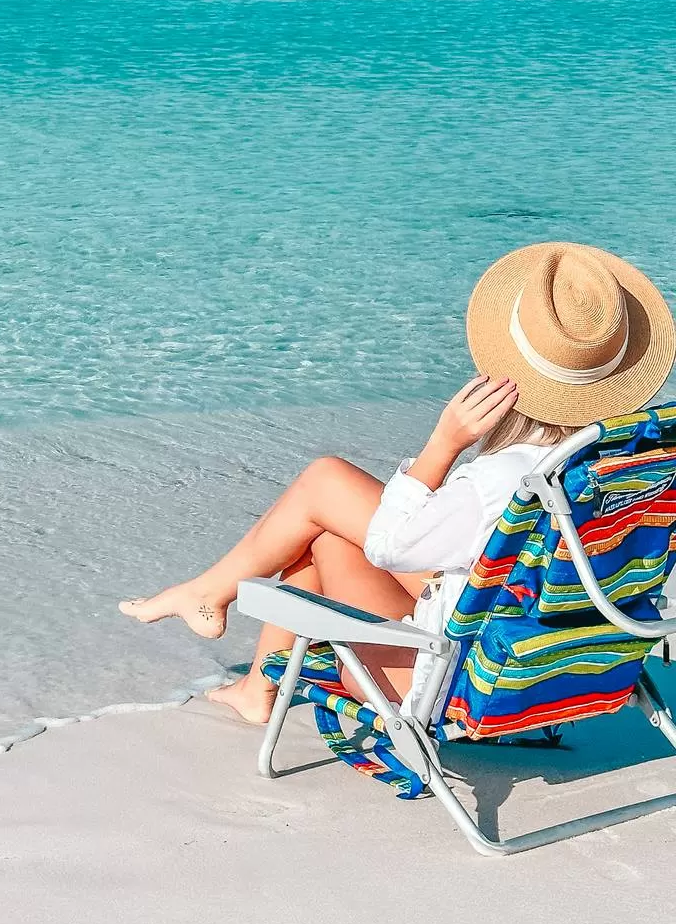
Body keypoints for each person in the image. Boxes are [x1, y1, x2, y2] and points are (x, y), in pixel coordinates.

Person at [120, 241, 676, 723]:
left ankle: (225, 630)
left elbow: (388, 547)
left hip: (443, 683)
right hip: (567, 667)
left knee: (324, 514)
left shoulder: (508, 480)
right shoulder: (631, 469)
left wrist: (443, 444)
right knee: (327, 492)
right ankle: (247, 676)